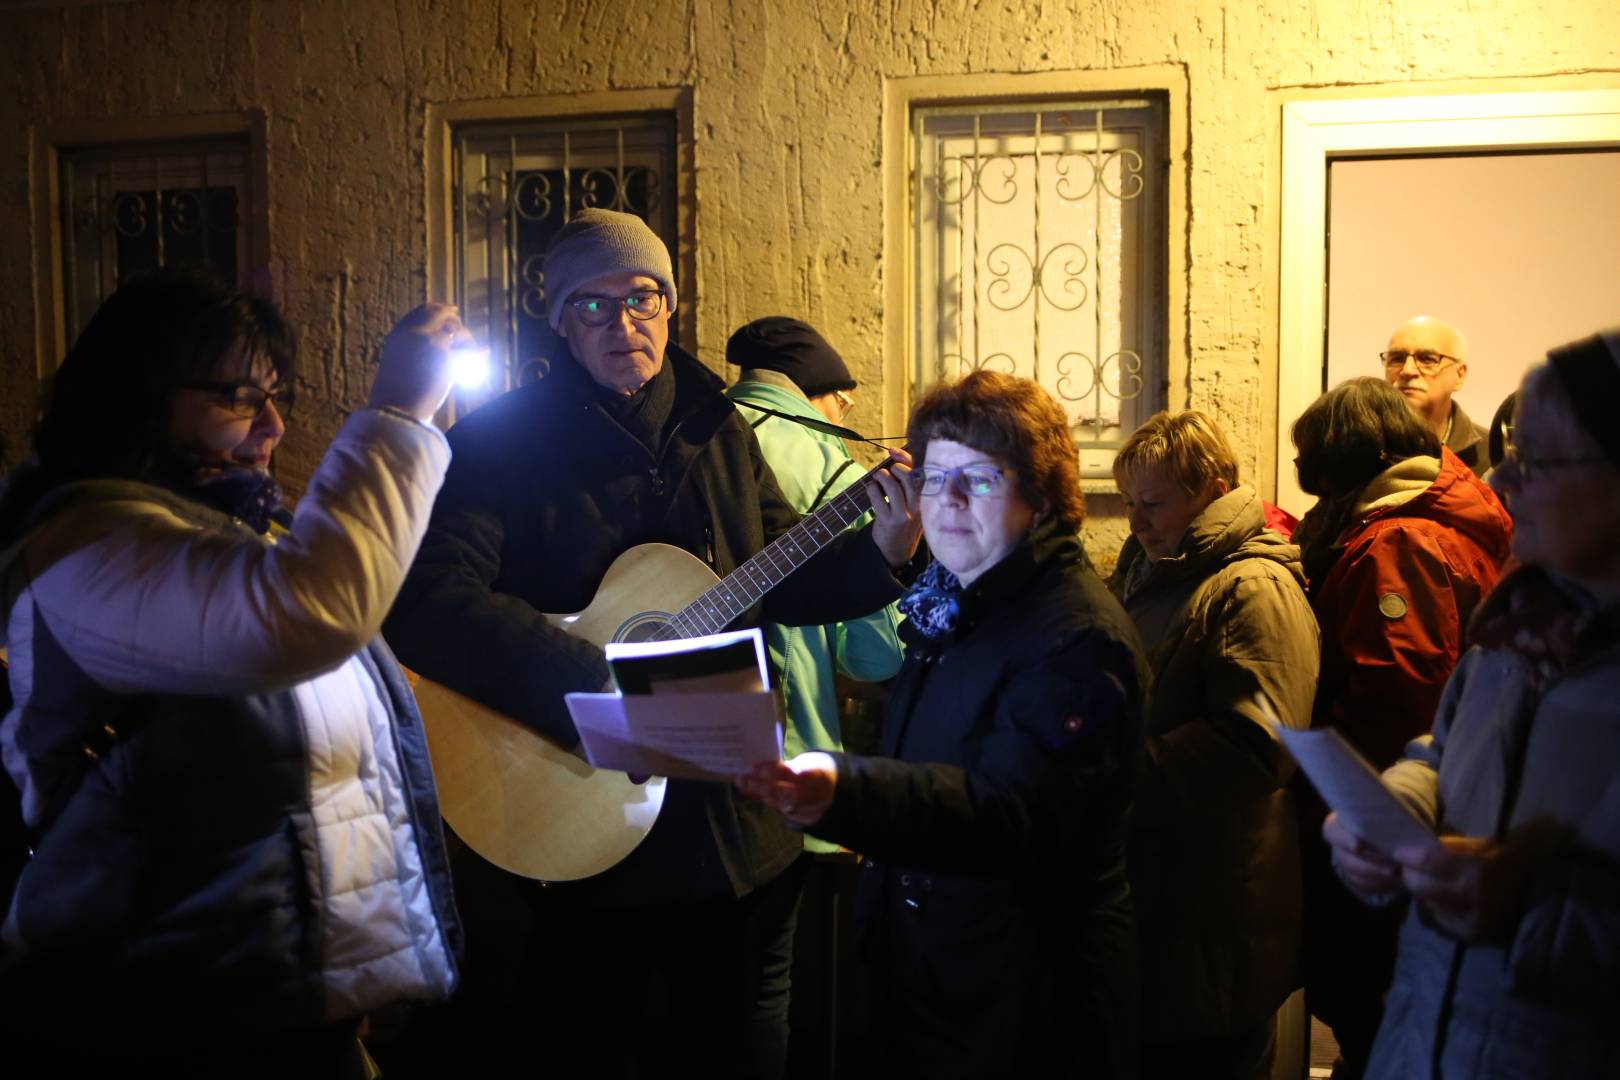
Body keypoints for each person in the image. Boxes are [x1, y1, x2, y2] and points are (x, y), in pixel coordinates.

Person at [381, 209, 921, 1079]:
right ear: (557, 321)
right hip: (581, 823)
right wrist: (600, 683)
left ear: (670, 306)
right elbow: (431, 600)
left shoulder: (720, 427)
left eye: (642, 298)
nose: (623, 323)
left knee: (741, 1049)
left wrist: (885, 555)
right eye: (591, 307)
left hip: (736, 828)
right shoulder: (497, 443)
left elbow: (780, 570)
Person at [0, 267, 465, 1078]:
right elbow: (309, 615)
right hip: (166, 1010)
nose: (275, 426)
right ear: (140, 396)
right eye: (241, 398)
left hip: (279, 997)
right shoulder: (88, 547)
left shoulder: (239, 528)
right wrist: (396, 413)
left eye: (274, 395)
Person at [739, 370, 1149, 1080]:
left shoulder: (1074, 636)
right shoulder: (956, 605)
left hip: (1024, 1006)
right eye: (935, 478)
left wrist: (845, 789)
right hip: (941, 981)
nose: (950, 502)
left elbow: (1012, 817)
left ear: (1042, 494)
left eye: (981, 480)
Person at [1325, 330, 1620, 1077]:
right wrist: (1396, 807)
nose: (1506, 479)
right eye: (1511, 452)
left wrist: (1528, 899)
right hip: (1427, 1038)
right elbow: (1443, 746)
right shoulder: (1516, 627)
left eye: (1540, 460)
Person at [1290, 376, 1512, 1078]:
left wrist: (1335, 793)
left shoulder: (1400, 539)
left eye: (1313, 459)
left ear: (1346, 456)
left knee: (1374, 1014)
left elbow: (1400, 695)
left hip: (1382, 820)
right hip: (1399, 820)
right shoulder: (1402, 521)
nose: (1306, 480)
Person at [1109, 410, 1319, 1080]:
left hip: (1215, 904)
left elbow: (1255, 744)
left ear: (1210, 486)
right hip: (1169, 900)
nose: (1136, 522)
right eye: (1130, 504)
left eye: (1153, 503)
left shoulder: (1251, 586)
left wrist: (1108, 778)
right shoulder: (1157, 571)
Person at [724, 316, 905, 1069]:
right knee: (771, 989)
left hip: (683, 746)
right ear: (827, 396)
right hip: (787, 753)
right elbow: (873, 650)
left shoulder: (706, 439)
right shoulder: (831, 460)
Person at [1380, 316, 1491, 477]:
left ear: (1459, 375)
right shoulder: (1357, 448)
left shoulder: (1491, 455)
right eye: (1397, 358)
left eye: (1427, 359)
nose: (1408, 370)